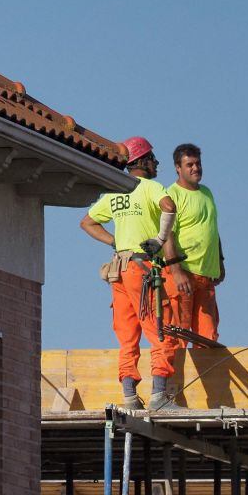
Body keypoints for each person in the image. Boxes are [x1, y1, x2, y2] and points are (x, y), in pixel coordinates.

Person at [80, 136, 184, 410]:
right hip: (143, 269)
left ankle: (129, 396)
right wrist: (161, 239)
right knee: (160, 330)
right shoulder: (149, 187)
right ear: (142, 161)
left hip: (121, 269)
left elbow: (88, 222)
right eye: (152, 158)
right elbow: (169, 207)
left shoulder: (116, 191)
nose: (156, 164)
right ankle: (159, 397)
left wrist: (114, 241)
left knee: (127, 334)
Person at [166, 143, 224, 345]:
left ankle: (206, 376)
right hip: (183, 273)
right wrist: (175, 271)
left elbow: (212, 230)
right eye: (189, 164)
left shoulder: (207, 193)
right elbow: (166, 236)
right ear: (177, 168)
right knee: (178, 333)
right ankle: (174, 376)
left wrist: (220, 261)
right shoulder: (171, 195)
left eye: (198, 163)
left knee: (208, 337)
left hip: (205, 275)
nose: (195, 168)